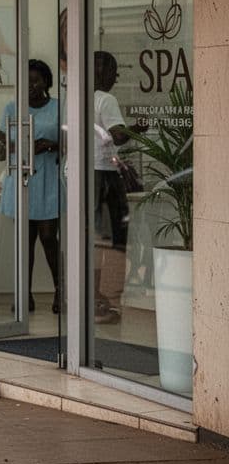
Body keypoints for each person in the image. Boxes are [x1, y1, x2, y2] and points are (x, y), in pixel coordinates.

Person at [0, 59, 62, 313]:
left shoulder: (59, 107)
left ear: (47, 81)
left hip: (47, 178)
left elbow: (73, 142)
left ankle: (61, 291)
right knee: (25, 241)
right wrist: (20, 146)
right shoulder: (12, 108)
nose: (32, 86)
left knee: (48, 237)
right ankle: (24, 295)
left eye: (36, 80)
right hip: (21, 177)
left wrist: (51, 145)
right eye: (27, 81)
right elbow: (0, 148)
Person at [93, 51, 146, 319]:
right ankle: (103, 297)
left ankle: (91, 295)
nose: (115, 77)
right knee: (112, 238)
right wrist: (138, 129)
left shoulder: (76, 98)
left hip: (81, 173)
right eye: (113, 71)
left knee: (91, 238)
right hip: (103, 174)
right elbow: (118, 136)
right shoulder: (106, 98)